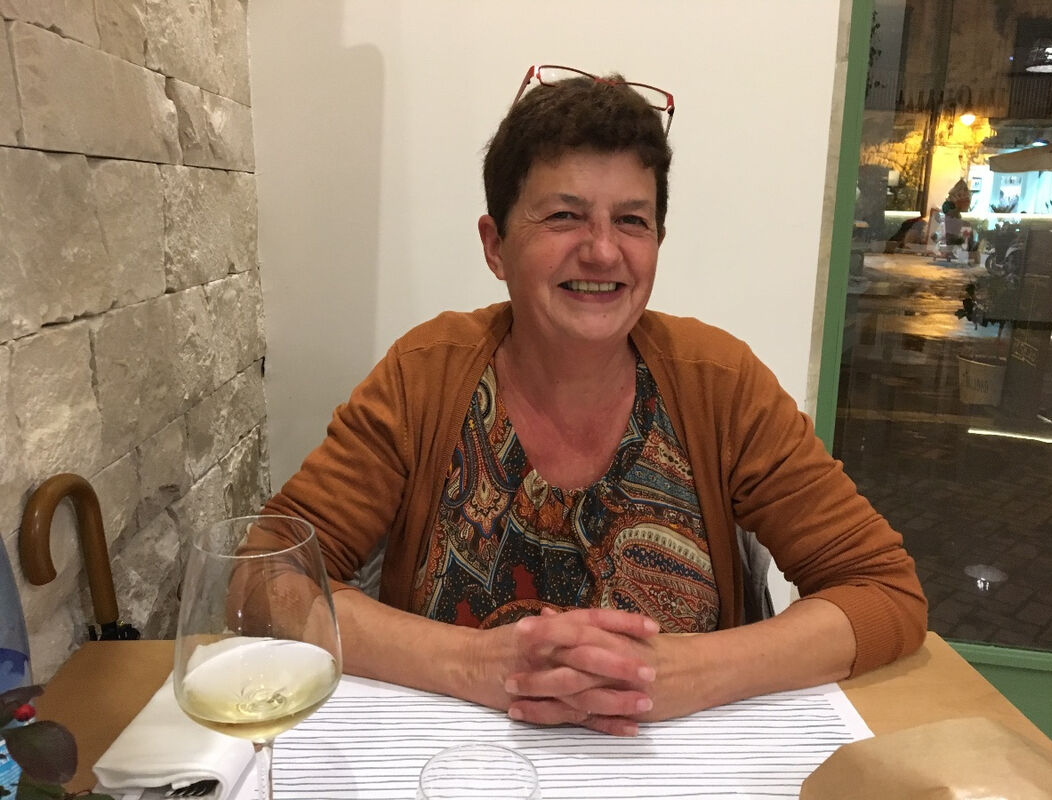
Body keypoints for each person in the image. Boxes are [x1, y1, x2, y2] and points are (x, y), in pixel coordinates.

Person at [262, 64, 927, 737]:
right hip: (456, 770)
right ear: (495, 246)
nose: (603, 251)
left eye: (632, 221)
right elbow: (267, 578)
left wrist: (687, 671)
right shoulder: (424, 376)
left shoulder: (720, 384)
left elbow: (883, 593)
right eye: (564, 216)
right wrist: (475, 663)